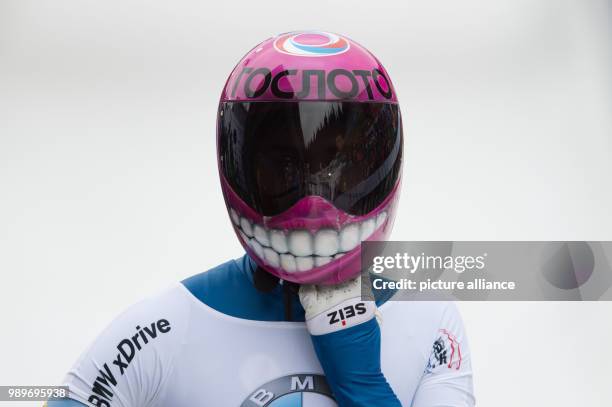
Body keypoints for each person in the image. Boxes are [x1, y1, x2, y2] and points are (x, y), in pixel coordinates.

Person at [46, 31, 475, 407]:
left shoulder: (429, 318)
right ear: (240, 166)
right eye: (285, 167)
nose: (313, 206)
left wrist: (362, 385)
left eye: (339, 168)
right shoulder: (160, 330)